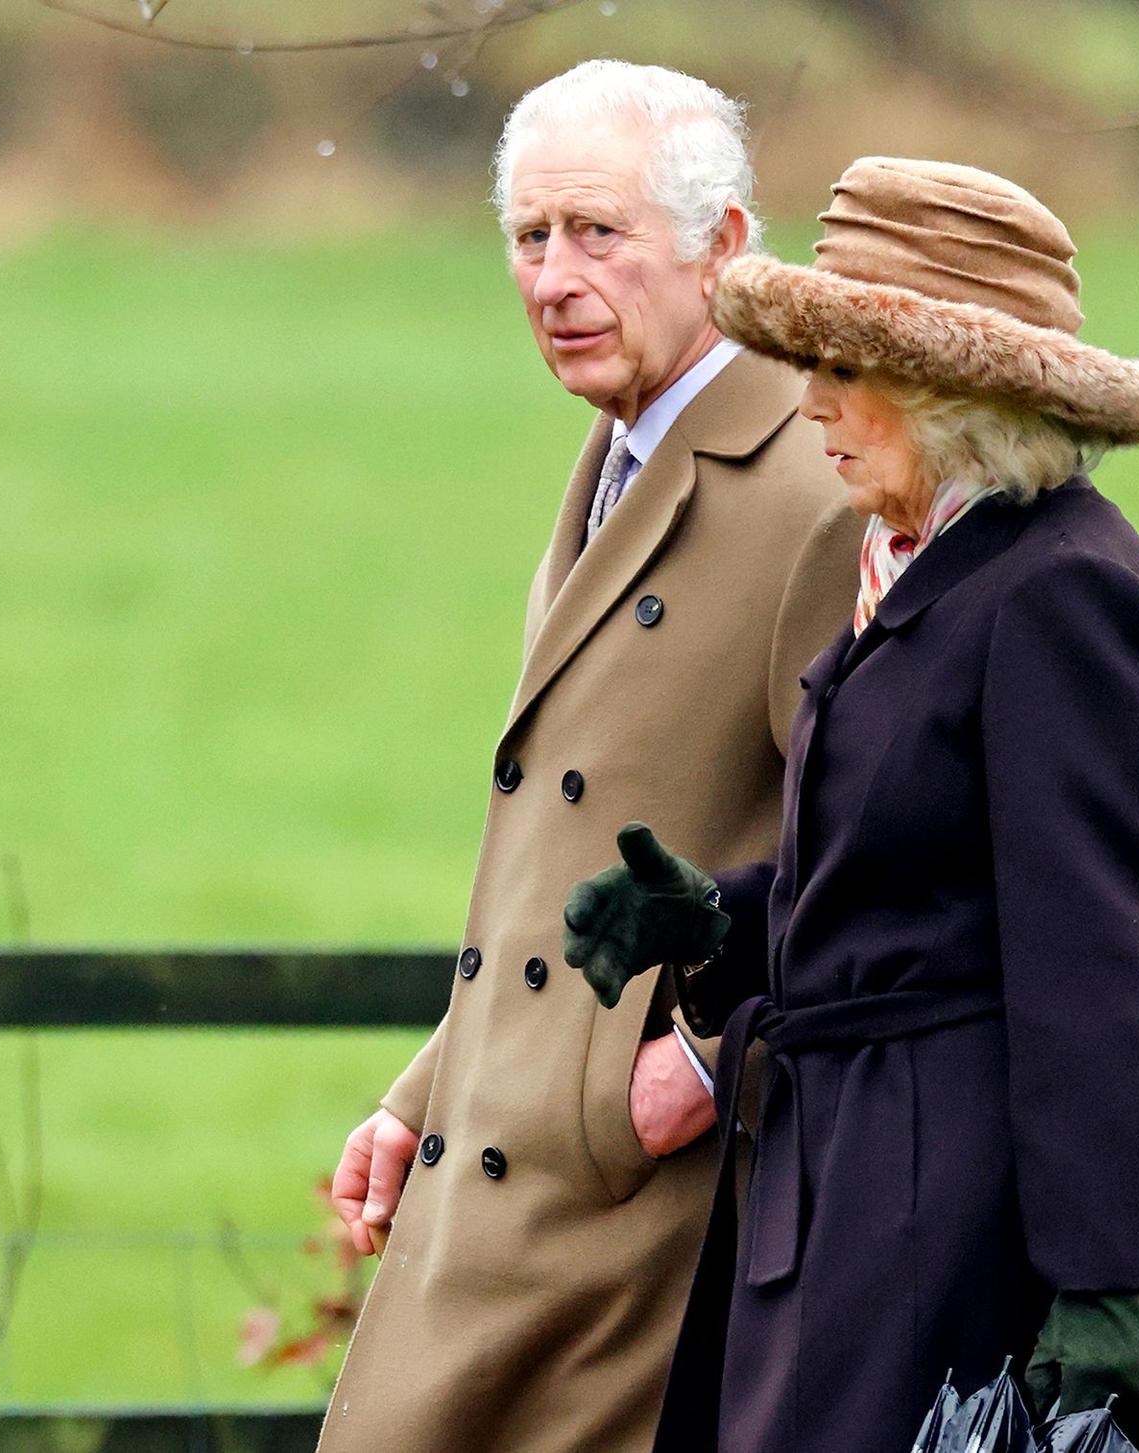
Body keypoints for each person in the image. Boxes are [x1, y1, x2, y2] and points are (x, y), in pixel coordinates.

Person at [563, 157, 1139, 1453]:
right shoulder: (924, 563)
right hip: (856, 1191)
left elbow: (1094, 959)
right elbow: (901, 889)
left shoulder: (1065, 593)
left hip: (966, 1221)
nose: (814, 400)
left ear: (956, 389)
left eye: (849, 366)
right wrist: (715, 920)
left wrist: (1106, 1278)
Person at [316, 63, 858, 1453]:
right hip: (513, 1169)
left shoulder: (807, 486)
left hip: (644, 1222)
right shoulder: (618, 449)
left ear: (725, 246)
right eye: (530, 236)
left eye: (599, 234)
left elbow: (870, 854)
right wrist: (422, 1099)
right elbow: (561, 871)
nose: (555, 277)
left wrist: (693, 1050)